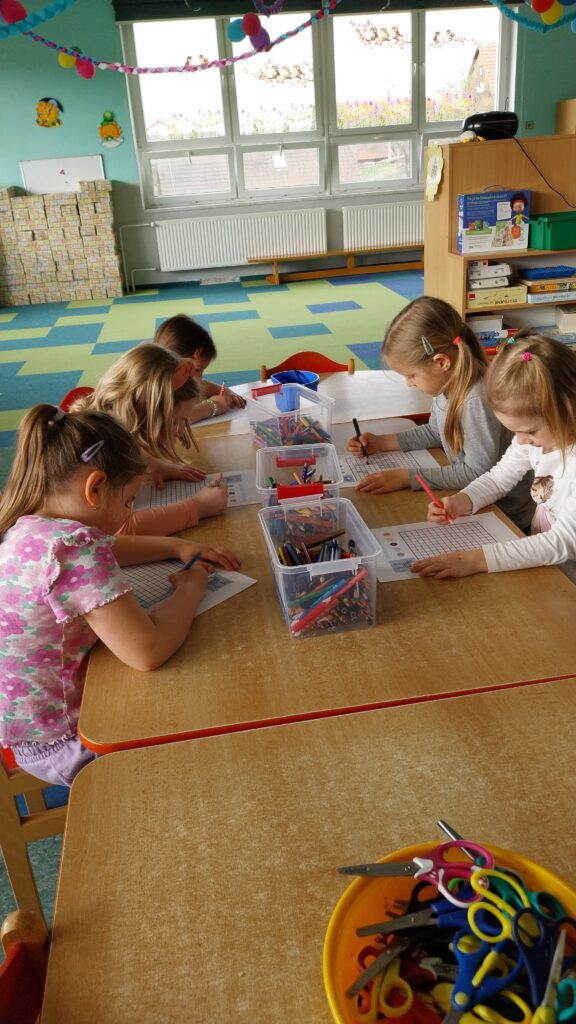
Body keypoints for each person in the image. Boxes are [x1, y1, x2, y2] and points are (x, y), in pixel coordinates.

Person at [0, 404, 241, 786]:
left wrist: (175, 545)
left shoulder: (29, 529)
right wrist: (191, 587)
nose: (129, 513)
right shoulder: (74, 549)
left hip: (30, 732)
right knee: (215, 715)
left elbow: (110, 546)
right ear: (95, 488)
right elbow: (148, 650)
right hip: (72, 741)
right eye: (129, 501)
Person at [347, 296, 533, 530]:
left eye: (411, 375)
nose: (408, 383)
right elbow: (436, 431)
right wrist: (381, 443)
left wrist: (408, 478)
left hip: (504, 514)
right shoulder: (447, 386)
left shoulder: (475, 399)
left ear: (442, 362)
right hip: (472, 500)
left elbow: (476, 472)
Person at [410, 333, 576, 582]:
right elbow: (499, 478)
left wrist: (476, 560)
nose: (520, 440)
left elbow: (563, 542)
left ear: (569, 408)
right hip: (547, 567)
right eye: (515, 431)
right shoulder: (534, 439)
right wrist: (462, 500)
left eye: (529, 431)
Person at [75, 343, 229, 535]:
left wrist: (151, 464)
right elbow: (118, 531)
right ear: (142, 413)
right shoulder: (104, 455)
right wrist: (197, 508)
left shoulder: (103, 428)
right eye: (175, 421)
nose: (180, 431)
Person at [155, 314, 247, 421]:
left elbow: (203, 385)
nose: (200, 376)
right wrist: (214, 405)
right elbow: (172, 420)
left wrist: (230, 394)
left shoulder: (180, 379)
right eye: (198, 369)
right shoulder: (155, 388)